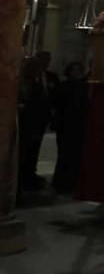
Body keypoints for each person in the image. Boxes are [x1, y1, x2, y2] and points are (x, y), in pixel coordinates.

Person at [51, 60, 89, 194]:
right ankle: (62, 182)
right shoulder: (64, 86)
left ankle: (72, 181)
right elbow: (55, 102)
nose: (76, 72)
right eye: (74, 69)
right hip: (65, 125)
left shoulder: (83, 86)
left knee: (75, 155)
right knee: (64, 154)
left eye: (79, 69)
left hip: (78, 125)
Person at [17, 52, 52, 193]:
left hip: (36, 124)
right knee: (22, 156)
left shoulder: (36, 82)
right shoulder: (23, 82)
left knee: (31, 155)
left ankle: (28, 180)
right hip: (26, 125)